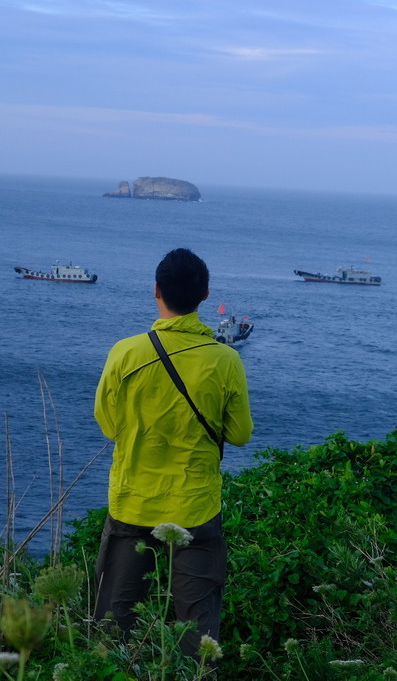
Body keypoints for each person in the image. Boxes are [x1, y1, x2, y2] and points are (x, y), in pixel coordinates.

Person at [93, 248, 253, 654]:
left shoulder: (125, 353)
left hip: (133, 504)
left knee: (115, 618)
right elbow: (239, 434)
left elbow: (109, 425)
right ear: (204, 296)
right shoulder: (226, 360)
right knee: (197, 632)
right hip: (196, 509)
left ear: (157, 291)